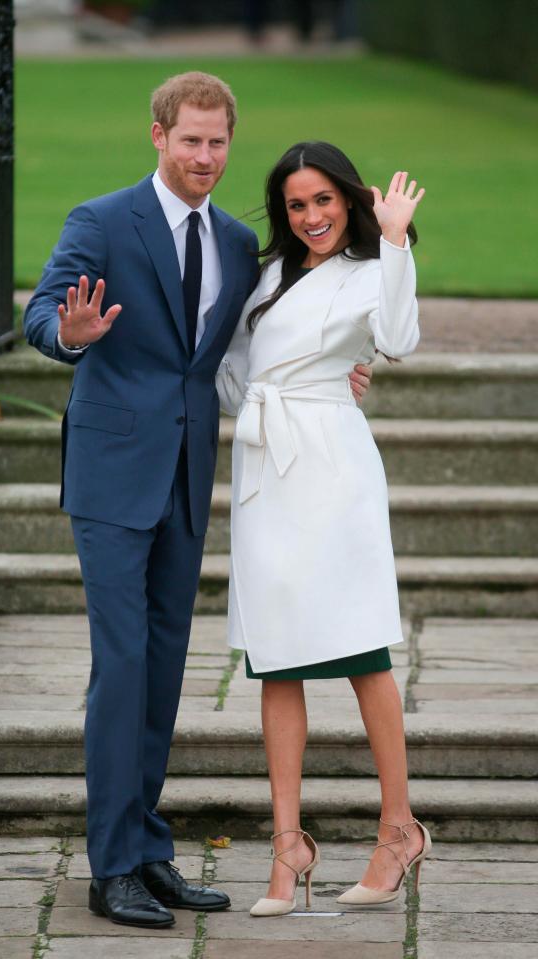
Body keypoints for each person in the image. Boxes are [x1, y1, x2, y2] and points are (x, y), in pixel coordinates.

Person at [24, 72, 374, 930]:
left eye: (219, 142)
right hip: (110, 478)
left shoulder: (232, 241)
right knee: (122, 666)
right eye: (191, 140)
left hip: (186, 476)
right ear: (158, 135)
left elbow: (239, 362)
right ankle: (112, 865)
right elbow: (40, 315)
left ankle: (148, 849)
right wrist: (70, 335)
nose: (206, 157)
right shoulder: (101, 221)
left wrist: (330, 376)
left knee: (166, 668)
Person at [217, 142, 432, 917]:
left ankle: (398, 828)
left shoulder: (374, 271)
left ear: (351, 202)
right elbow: (236, 369)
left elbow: (400, 338)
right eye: (297, 204)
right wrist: (282, 385)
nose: (311, 217)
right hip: (266, 465)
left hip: (333, 470)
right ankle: (286, 848)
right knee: (276, 656)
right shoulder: (269, 277)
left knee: (359, 647)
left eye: (324, 202)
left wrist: (398, 240)